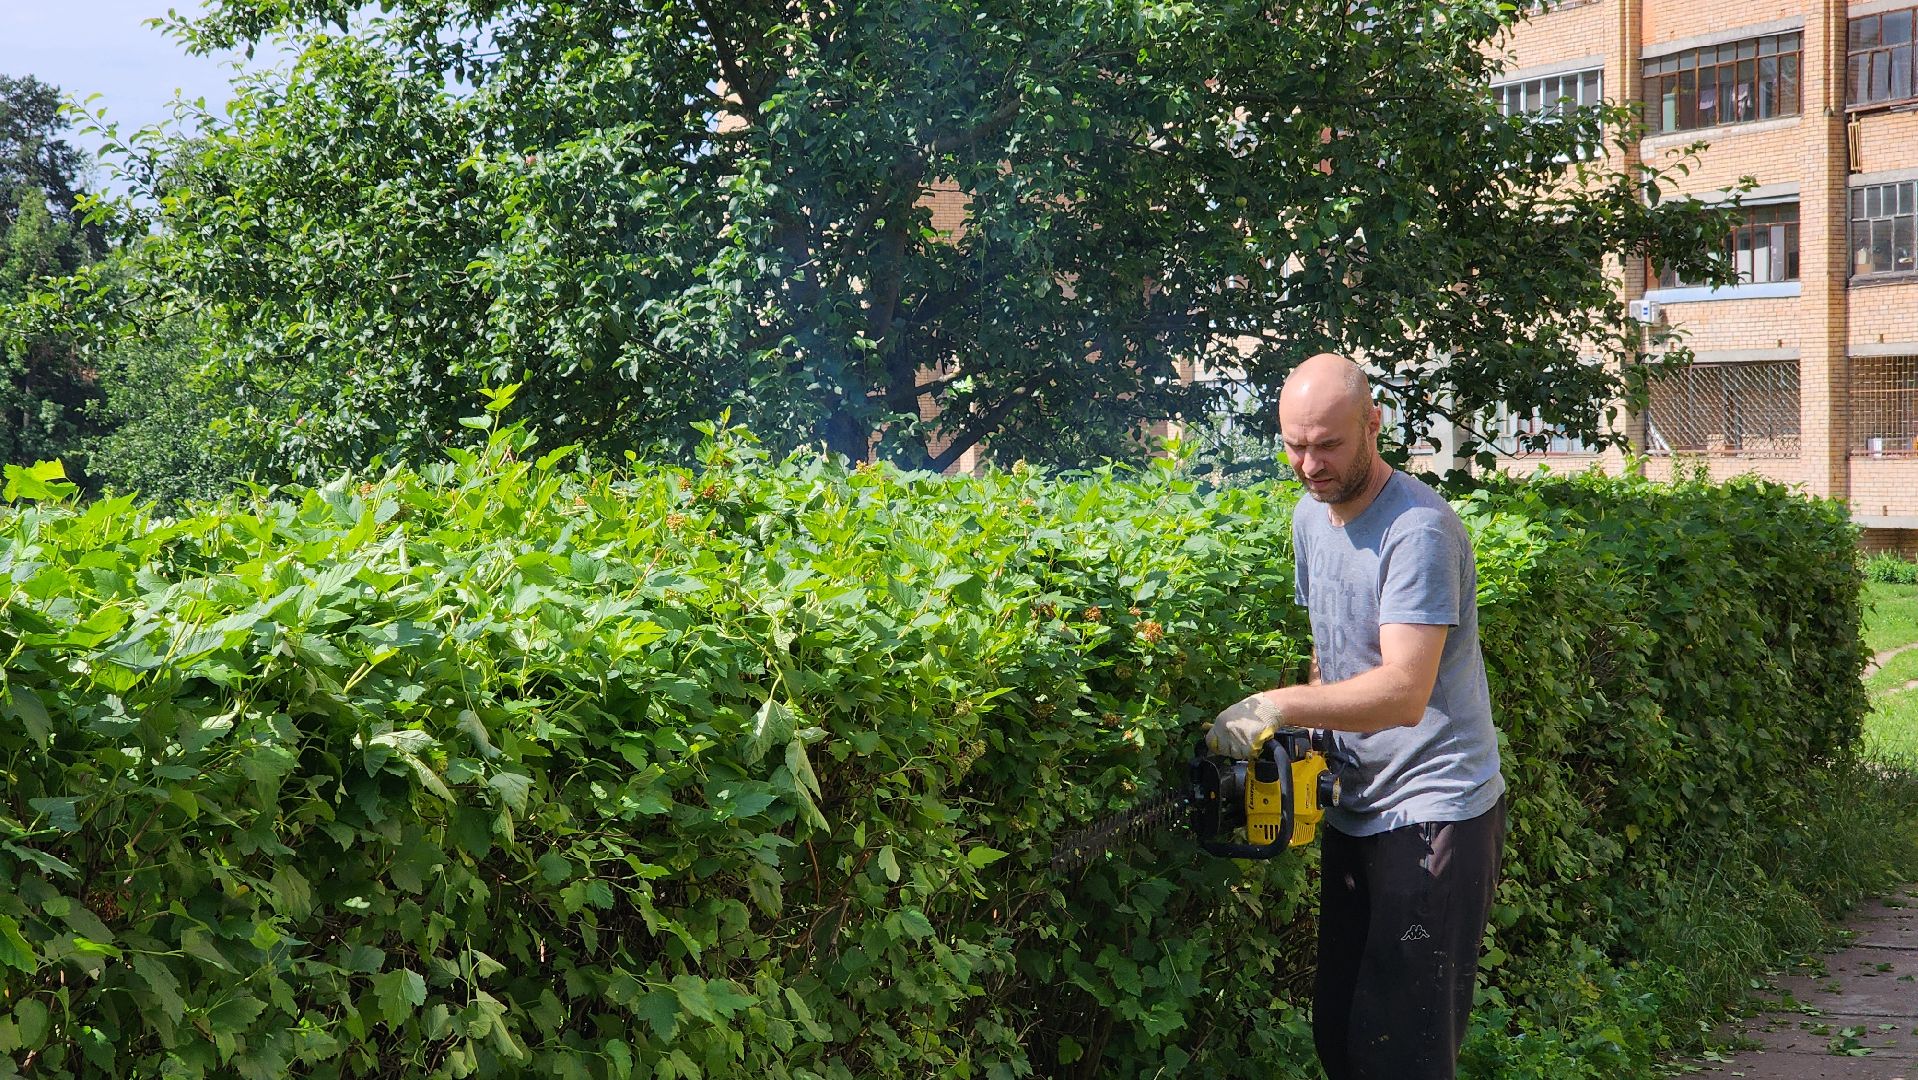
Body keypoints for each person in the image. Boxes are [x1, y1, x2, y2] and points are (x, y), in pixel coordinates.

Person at [1206, 352, 1506, 1080]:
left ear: (1375, 424)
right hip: (1359, 806)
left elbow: (1403, 690)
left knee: (1401, 1049)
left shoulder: (1419, 531)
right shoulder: (1312, 516)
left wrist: (1272, 707)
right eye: (1294, 444)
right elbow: (1333, 651)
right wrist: (1311, 745)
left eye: (1328, 444)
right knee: (1341, 1034)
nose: (1309, 464)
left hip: (1434, 809)